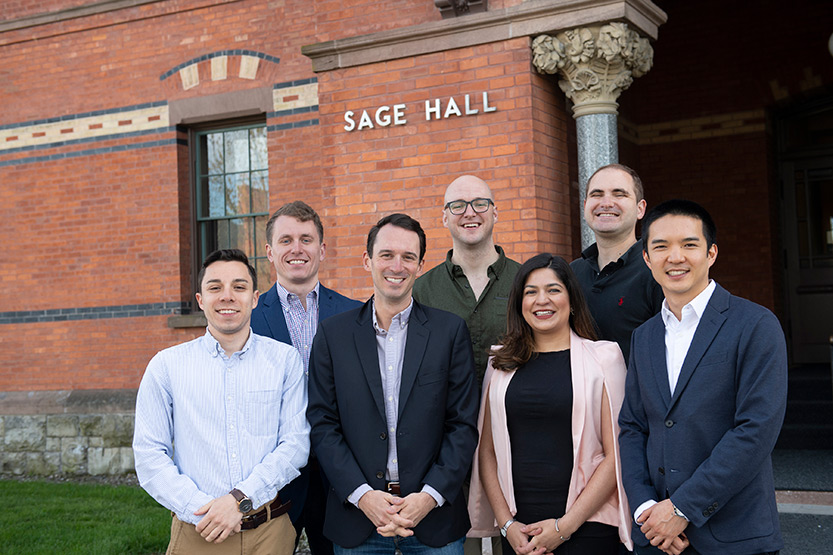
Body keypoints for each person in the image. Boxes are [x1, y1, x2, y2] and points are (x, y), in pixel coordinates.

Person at [618, 199, 787, 555]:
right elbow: (633, 427)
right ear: (646, 259)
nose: (675, 257)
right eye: (661, 246)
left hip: (733, 536)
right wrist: (647, 508)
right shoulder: (644, 336)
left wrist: (681, 509)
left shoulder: (755, 325)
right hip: (656, 537)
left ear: (711, 253)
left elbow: (755, 430)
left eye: (689, 245)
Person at [307, 213, 479, 554]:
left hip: (433, 517)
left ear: (420, 265)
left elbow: (462, 424)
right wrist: (363, 496)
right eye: (386, 255)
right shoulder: (332, 334)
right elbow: (323, 424)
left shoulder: (449, 332)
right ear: (367, 259)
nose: (396, 266)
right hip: (358, 517)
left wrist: (429, 497)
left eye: (408, 257)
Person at [133, 249, 309, 555]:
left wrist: (239, 501)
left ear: (254, 298)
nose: (227, 296)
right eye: (215, 287)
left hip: (269, 535)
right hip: (198, 533)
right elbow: (149, 456)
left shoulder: (284, 361)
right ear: (201, 300)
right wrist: (205, 511)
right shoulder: (166, 366)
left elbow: (295, 446)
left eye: (238, 287)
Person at [468, 254, 632, 555]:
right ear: (520, 303)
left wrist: (564, 527)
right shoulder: (500, 363)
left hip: (587, 526)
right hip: (520, 532)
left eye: (554, 290)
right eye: (531, 292)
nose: (542, 300)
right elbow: (486, 451)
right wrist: (506, 524)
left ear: (571, 299)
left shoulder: (604, 358)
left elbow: (616, 454)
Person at [251, 201, 361, 555]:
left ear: (322, 249)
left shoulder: (355, 314)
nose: (296, 249)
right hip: (275, 472)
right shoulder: (249, 321)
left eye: (306, 239)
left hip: (339, 473)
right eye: (286, 240)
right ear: (269, 251)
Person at [414, 174, 521, 388]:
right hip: (445, 418)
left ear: (495, 213)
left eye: (480, 204)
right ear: (445, 218)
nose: (469, 213)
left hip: (512, 415)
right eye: (458, 206)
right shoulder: (421, 290)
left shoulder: (524, 280)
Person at [570, 164, 663, 362]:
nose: (606, 203)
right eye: (597, 194)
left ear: (640, 209)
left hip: (638, 393)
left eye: (619, 194)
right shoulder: (571, 273)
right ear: (585, 205)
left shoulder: (657, 271)